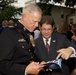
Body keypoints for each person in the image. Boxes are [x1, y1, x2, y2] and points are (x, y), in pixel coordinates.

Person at [0, 3, 45, 75]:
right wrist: (25, 70)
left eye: (38, 22)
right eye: (34, 21)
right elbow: (2, 64)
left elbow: (30, 55)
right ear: (24, 17)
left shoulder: (29, 34)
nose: (37, 25)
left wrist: (40, 63)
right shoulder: (9, 33)